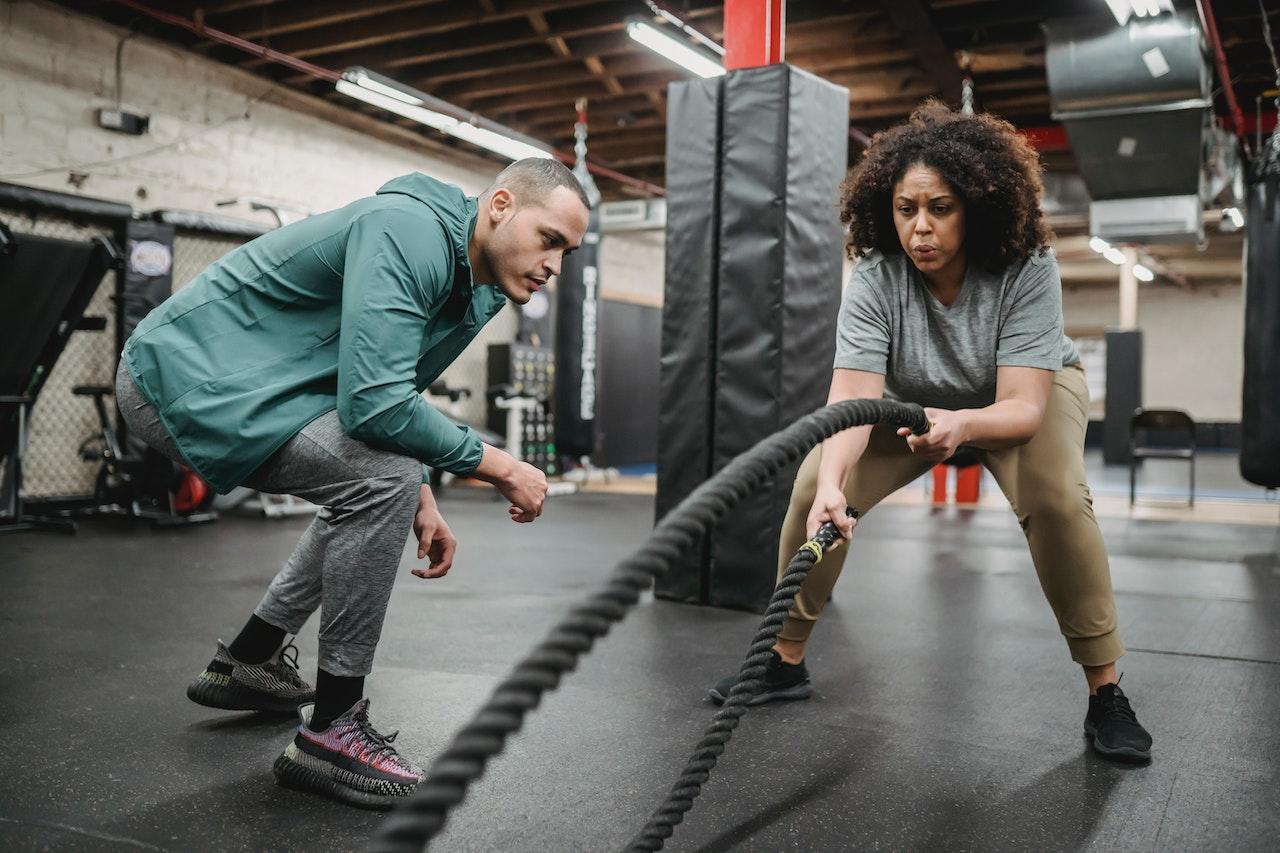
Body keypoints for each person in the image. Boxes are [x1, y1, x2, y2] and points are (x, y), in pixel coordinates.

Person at [115, 158, 590, 807]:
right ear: (501, 205)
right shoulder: (408, 231)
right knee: (379, 479)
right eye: (550, 239)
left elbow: (389, 388)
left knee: (382, 479)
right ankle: (332, 730)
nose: (555, 265)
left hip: (265, 390)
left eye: (568, 252)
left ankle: (249, 660)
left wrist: (420, 493)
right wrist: (499, 465)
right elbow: (374, 406)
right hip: (182, 377)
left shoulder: (479, 290)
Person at [709, 104, 1152, 763]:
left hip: (1019, 394)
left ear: (975, 207)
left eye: (940, 208)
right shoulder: (876, 275)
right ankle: (784, 659)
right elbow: (853, 396)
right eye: (905, 208)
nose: (920, 226)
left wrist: (966, 425)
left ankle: (1106, 691)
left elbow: (1023, 407)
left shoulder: (1026, 266)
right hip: (912, 404)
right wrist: (833, 484)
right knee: (812, 489)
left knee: (1058, 499)